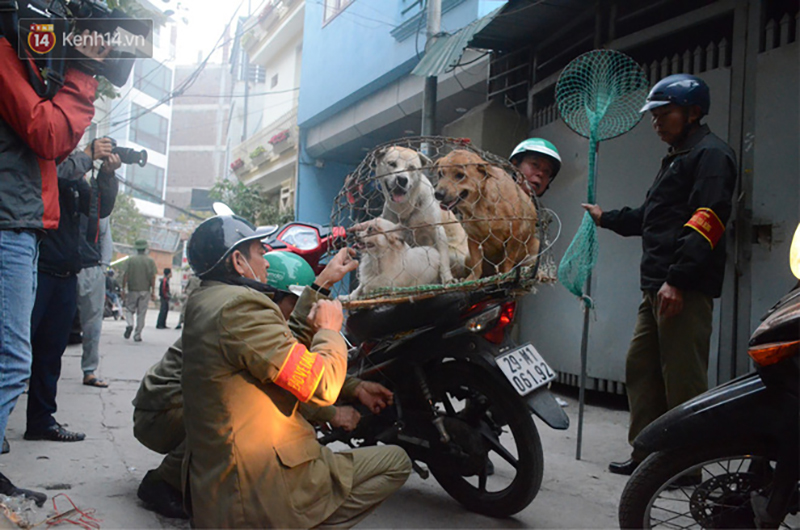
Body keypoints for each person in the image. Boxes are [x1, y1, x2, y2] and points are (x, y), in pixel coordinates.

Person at [182, 215, 411, 528]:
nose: (265, 261)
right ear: (238, 261)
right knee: (396, 462)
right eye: (260, 253)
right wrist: (330, 331)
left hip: (226, 484)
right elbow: (321, 387)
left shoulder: (209, 300)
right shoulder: (240, 307)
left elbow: (281, 345)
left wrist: (322, 283)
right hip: (257, 490)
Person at [132, 251, 391, 519]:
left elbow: (294, 354)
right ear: (272, 297)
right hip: (163, 413)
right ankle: (163, 483)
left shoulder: (254, 319)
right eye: (295, 302)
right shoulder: (247, 319)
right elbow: (286, 384)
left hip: (173, 406)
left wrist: (354, 387)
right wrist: (332, 411)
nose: (301, 311)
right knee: (237, 424)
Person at [582, 74, 736, 476]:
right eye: (653, 115)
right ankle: (649, 457)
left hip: (681, 287)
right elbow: (654, 217)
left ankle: (686, 464)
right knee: (642, 369)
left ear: (693, 113)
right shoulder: (678, 156)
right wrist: (606, 218)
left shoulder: (711, 156)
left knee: (682, 378)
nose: (656, 122)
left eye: (664, 114)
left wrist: (679, 280)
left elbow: (709, 221)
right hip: (656, 286)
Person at [0, 28, 108, 505]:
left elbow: (98, 206)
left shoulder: (24, 69)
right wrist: (83, 71)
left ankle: (41, 419)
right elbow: (50, 137)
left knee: (40, 354)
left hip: (50, 249)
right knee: (11, 359)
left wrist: (105, 169)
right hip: (12, 228)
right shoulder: (4, 54)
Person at [24, 144, 118, 443]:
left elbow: (99, 209)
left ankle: (41, 420)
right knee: (15, 351)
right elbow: (55, 174)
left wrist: (105, 176)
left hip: (66, 273)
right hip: (34, 269)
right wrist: (87, 156)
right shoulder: (44, 160)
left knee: (50, 354)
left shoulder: (76, 177)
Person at [77, 138, 119, 388]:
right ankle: (31, 372)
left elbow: (105, 236)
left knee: (92, 325)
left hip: (92, 268)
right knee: (50, 326)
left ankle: (89, 370)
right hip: (62, 267)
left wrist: (102, 267)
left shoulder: (94, 196)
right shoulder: (63, 187)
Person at [122, 240, 157, 342]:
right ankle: (137, 335)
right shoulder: (150, 261)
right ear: (145, 248)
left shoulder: (130, 260)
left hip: (132, 289)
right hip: (145, 290)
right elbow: (153, 277)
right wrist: (153, 291)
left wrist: (123, 288)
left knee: (129, 309)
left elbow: (125, 275)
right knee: (141, 313)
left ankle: (130, 324)